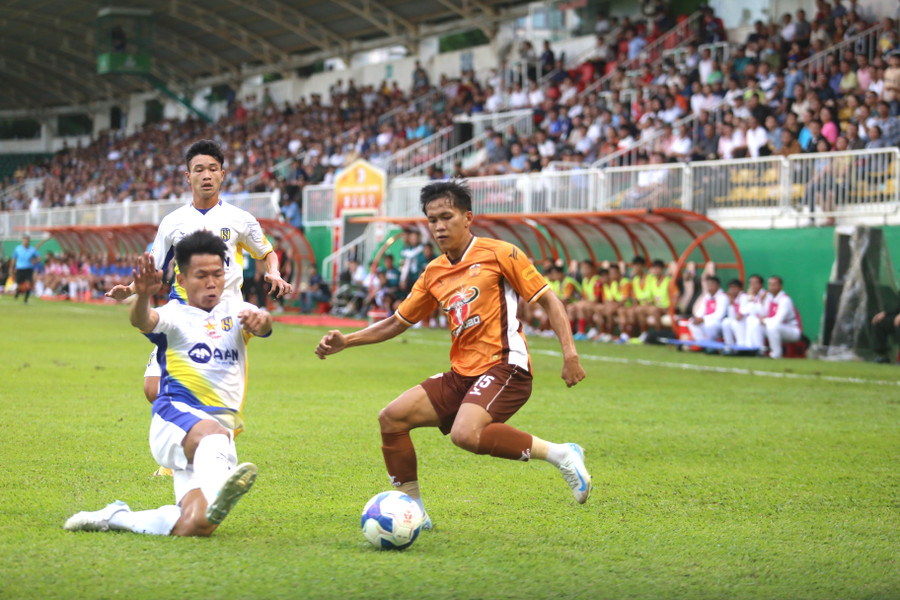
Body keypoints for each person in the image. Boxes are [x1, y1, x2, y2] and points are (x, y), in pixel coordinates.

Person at [315, 181, 591, 529]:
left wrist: (570, 354)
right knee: (392, 419)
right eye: (432, 220)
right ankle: (415, 512)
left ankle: (562, 454)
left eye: (447, 216)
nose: (439, 226)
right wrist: (347, 341)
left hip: (506, 366)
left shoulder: (500, 253)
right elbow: (397, 322)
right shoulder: (433, 272)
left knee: (465, 433)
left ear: (468, 217)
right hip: (463, 374)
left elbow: (550, 300)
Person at [64, 230, 272, 536]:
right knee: (213, 435)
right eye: (201, 275)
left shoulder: (237, 312)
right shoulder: (174, 316)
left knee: (196, 524)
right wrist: (144, 295)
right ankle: (219, 490)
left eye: (218, 273)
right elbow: (142, 320)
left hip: (214, 440)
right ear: (183, 280)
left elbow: (262, 319)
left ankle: (116, 516)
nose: (212, 282)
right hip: (174, 419)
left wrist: (263, 320)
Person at [105, 139, 292, 406]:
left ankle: (205, 431)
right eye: (200, 169)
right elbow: (154, 268)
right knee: (152, 388)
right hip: (182, 309)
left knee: (213, 389)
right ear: (188, 175)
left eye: (213, 169)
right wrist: (130, 289)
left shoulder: (241, 219)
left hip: (226, 311)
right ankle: (194, 423)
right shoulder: (172, 222)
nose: (207, 175)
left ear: (222, 174)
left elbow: (266, 252)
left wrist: (274, 271)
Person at [761, 275, 802, 359]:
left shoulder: (785, 300)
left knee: (773, 326)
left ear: (780, 286)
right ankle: (758, 351)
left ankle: (776, 354)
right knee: (754, 323)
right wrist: (761, 301)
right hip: (776, 328)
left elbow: (777, 321)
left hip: (792, 331)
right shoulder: (768, 298)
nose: (771, 287)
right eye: (770, 284)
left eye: (774, 284)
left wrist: (764, 320)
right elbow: (762, 314)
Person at [687, 275, 728, 342]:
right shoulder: (707, 297)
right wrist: (696, 317)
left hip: (718, 322)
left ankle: (711, 343)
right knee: (691, 322)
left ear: (717, 285)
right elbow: (701, 310)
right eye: (708, 284)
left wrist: (703, 319)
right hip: (705, 320)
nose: (710, 286)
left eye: (712, 284)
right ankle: (701, 343)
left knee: (710, 324)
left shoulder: (722, 297)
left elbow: (719, 315)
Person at [12, 234, 40, 304]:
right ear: (22, 241)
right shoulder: (18, 248)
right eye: (24, 240)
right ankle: (18, 292)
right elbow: (14, 258)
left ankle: (25, 300)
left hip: (28, 269)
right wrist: (11, 268)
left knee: (28, 285)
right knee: (19, 287)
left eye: (27, 240)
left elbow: (39, 258)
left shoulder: (32, 250)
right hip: (20, 269)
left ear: (29, 241)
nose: (25, 242)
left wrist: (35, 261)